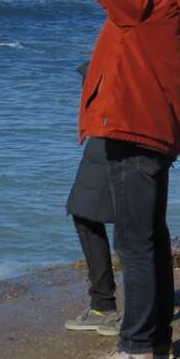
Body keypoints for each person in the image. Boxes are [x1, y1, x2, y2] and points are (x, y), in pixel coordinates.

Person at [78, 0, 180, 359]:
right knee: (149, 238)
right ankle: (156, 340)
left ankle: (135, 346)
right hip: (150, 129)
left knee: (135, 243)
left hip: (134, 128)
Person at [65, 64, 120, 337]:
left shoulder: (134, 26)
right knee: (138, 221)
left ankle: (105, 308)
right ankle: (111, 307)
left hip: (118, 125)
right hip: (135, 125)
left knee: (85, 210)